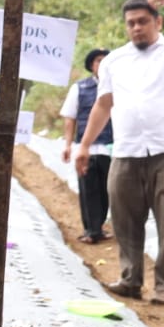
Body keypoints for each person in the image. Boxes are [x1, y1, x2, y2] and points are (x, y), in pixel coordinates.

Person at [76, 0, 164, 304]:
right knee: (123, 218)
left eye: (143, 21)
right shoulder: (115, 61)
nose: (136, 28)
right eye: (131, 23)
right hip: (127, 151)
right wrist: (85, 146)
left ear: (158, 22)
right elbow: (103, 105)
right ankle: (130, 279)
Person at [60, 47, 114, 244]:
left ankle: (99, 226)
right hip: (87, 148)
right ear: (92, 65)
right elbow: (69, 118)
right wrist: (68, 145)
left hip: (111, 148)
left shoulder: (117, 88)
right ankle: (91, 230)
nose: (101, 64)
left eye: (105, 61)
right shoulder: (79, 88)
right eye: (98, 61)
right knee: (88, 188)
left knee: (106, 189)